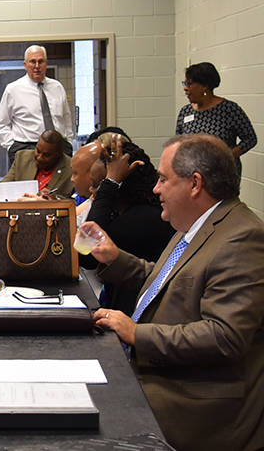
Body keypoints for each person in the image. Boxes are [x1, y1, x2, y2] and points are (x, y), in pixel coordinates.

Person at [89, 134, 264, 451]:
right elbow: (168, 280)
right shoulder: (197, 225)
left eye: (163, 179)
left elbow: (225, 336)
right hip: (164, 372)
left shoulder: (242, 238)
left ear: (195, 184)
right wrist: (116, 258)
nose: (156, 189)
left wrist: (136, 333)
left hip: (195, 401)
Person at [76, 137, 173, 316]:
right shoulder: (130, 212)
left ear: (121, 184)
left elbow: (85, 252)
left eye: (98, 184)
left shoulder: (143, 219)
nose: (92, 190)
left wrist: (110, 183)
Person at [0, 45, 75, 165]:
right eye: (33, 62)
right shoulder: (13, 89)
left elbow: (66, 119)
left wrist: (69, 141)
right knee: (29, 184)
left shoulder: (57, 87)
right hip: (27, 148)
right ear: (25, 64)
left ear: (46, 63)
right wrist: (11, 146)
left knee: (60, 184)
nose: (37, 66)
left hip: (59, 148)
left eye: (40, 61)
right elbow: (0, 125)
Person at [175, 62, 256, 172]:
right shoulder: (185, 111)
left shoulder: (229, 109)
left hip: (222, 175)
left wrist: (228, 156)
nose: (185, 88)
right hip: (191, 175)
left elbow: (250, 139)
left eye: (189, 84)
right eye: (184, 83)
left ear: (205, 86)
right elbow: (178, 143)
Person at [1, 130, 74, 199]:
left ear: (58, 154)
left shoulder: (71, 168)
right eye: (38, 151)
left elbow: (78, 201)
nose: (39, 157)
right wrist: (35, 195)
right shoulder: (22, 158)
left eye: (46, 155)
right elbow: (3, 189)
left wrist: (55, 199)